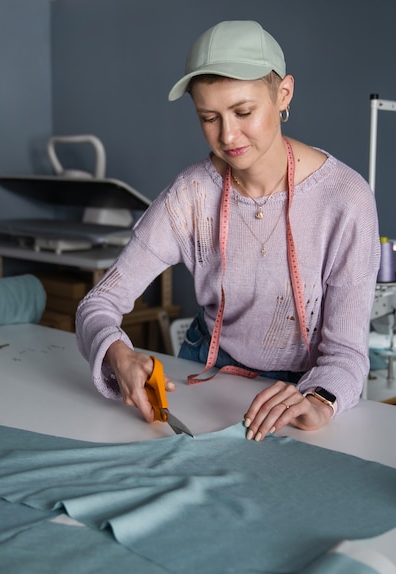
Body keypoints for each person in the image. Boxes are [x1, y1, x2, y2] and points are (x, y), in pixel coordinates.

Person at [75, 20, 379, 439]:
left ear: (283, 94)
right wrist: (118, 356)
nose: (228, 135)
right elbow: (98, 304)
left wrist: (320, 402)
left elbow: (346, 353)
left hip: (301, 390)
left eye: (243, 112)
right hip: (208, 376)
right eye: (209, 117)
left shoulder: (346, 198)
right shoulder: (191, 196)